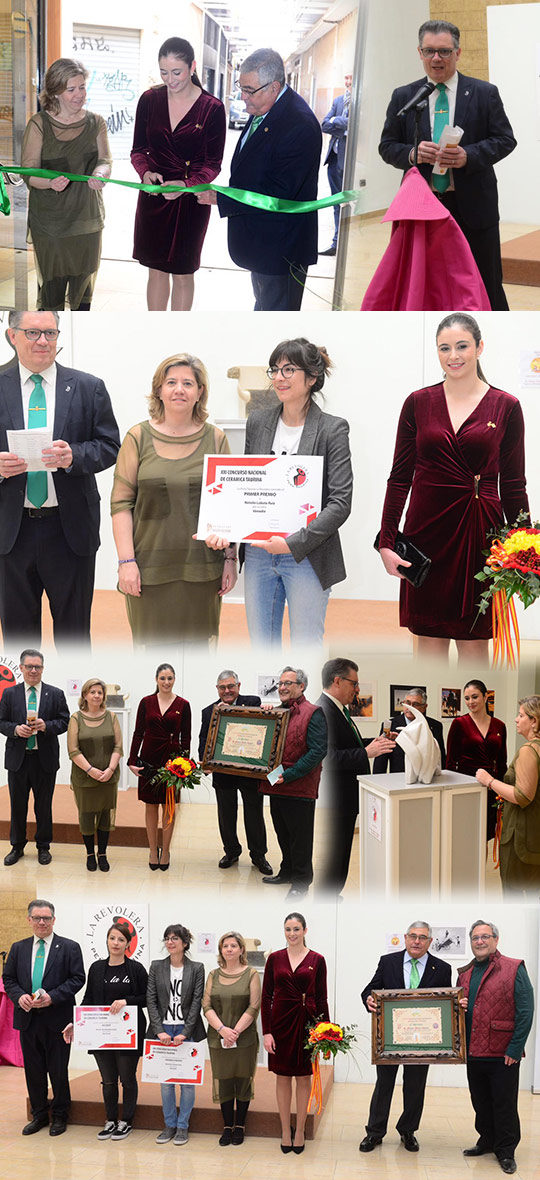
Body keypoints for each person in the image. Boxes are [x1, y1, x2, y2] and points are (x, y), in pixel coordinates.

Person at [378, 313, 529, 660]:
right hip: (425, 536)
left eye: (462, 346)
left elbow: (514, 484)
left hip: (480, 535)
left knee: (475, 646)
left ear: (479, 347)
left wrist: (525, 548)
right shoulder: (418, 402)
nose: (453, 355)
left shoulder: (506, 406)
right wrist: (387, 541)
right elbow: (400, 477)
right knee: (428, 645)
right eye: (444, 348)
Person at [205, 337, 353, 645]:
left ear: (312, 378)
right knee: (262, 646)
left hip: (307, 555)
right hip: (259, 555)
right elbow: (245, 490)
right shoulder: (258, 421)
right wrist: (228, 542)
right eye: (275, 369)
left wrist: (292, 543)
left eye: (289, 369)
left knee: (305, 645)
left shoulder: (332, 429)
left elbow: (340, 503)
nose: (279, 377)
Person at [0, 310, 120, 645]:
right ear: (12, 335)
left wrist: (74, 456)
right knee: (18, 639)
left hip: (69, 531)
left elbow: (110, 445)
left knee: (74, 635)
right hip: (12, 532)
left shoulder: (87, 387)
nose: (43, 341)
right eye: (33, 333)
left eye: (50, 333)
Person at [378, 19, 516, 310]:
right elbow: (387, 146)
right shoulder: (405, 96)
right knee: (427, 286)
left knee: (485, 283)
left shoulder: (483, 93)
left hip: (473, 207)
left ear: (458, 52)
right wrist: (413, 154)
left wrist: (469, 156)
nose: (436, 58)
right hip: (423, 209)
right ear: (419, 53)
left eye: (443, 51)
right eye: (429, 51)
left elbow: (505, 140)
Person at [111, 352, 235, 645]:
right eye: (171, 382)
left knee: (198, 651)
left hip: (201, 568)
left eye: (188, 383)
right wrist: (126, 562)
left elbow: (229, 506)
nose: (179, 389)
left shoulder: (216, 439)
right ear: (159, 390)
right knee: (152, 654)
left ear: (200, 392)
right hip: (148, 568)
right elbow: (120, 505)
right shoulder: (137, 437)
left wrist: (230, 559)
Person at [197, 48, 322, 310]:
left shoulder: (299, 124)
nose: (243, 97)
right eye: (241, 88)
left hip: (281, 248)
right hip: (262, 245)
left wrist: (224, 198)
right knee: (264, 306)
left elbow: (279, 192)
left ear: (274, 87)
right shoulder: (265, 108)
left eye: (249, 90)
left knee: (277, 314)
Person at [131, 36, 226, 311]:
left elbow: (213, 164)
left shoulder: (212, 108)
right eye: (163, 72)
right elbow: (138, 149)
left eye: (176, 72)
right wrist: (145, 172)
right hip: (154, 196)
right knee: (155, 270)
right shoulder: (149, 100)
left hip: (190, 200)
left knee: (184, 272)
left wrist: (185, 185)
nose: (170, 79)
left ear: (192, 67)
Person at [21, 58, 112, 310]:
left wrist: (101, 174)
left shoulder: (96, 122)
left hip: (87, 218)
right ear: (55, 92)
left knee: (84, 288)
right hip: (51, 223)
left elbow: (105, 160)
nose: (79, 95)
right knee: (52, 289)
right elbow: (29, 172)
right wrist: (49, 183)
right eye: (71, 89)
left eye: (82, 87)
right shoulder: (39, 124)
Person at [359, 920, 451, 1154]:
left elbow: (446, 1002)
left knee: (415, 1086)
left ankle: (408, 1131)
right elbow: (371, 989)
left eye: (422, 937)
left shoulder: (441, 968)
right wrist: (369, 998)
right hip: (389, 1038)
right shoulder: (387, 962)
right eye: (413, 936)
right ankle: (375, 1132)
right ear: (405, 938)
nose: (416, 941)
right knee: (384, 1085)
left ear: (430, 941)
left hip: (423, 1041)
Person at [3, 898, 85, 1136]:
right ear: (29, 920)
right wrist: (19, 997)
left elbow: (77, 978)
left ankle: (60, 1115)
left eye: (46, 918)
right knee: (34, 1070)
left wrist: (53, 997)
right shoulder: (18, 948)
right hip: (28, 1019)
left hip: (58, 1019)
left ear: (53, 920)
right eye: (37, 918)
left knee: (58, 1070)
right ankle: (39, 1115)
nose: (42, 922)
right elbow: (9, 979)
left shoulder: (69, 947)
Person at [458, 919, 534, 1175]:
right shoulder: (465, 973)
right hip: (473, 1050)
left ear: (495, 940)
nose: (479, 941)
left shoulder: (514, 968)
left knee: (504, 1103)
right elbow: (463, 1008)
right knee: (480, 1101)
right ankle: (487, 1140)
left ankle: (506, 1150)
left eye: (485, 937)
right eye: (475, 938)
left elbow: (526, 1010)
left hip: (503, 1052)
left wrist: (515, 1048)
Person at [62, 920, 148, 1141]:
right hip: (101, 1034)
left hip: (129, 1035)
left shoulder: (136, 969)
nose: (116, 943)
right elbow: (88, 999)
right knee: (108, 1079)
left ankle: (126, 1121)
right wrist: (76, 1021)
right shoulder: (97, 968)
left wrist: (126, 1000)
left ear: (128, 943)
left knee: (127, 1078)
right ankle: (111, 1120)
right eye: (112, 938)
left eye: (121, 939)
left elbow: (147, 998)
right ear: (107, 940)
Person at [316, 657, 395, 895]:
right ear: (337, 681)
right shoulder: (323, 711)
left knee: (340, 857)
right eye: (354, 683)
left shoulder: (337, 710)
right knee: (335, 858)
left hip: (345, 800)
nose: (358, 689)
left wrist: (375, 743)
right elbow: (327, 758)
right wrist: (365, 753)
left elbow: (348, 745)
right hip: (337, 802)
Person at [262, 912, 328, 1154]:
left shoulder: (317, 959)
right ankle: (284, 1129)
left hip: (306, 1023)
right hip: (279, 1022)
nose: (292, 934)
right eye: (288, 929)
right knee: (282, 1077)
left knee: (303, 1077)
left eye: (296, 929)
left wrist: (325, 1033)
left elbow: (322, 998)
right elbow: (266, 996)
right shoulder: (275, 959)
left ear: (305, 931)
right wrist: (266, 1032)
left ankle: (299, 1129)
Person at [259, 667, 327, 900]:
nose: (283, 687)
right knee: (283, 833)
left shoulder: (313, 712)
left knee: (300, 838)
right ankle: (286, 872)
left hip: (300, 787)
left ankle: (301, 881)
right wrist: (265, 715)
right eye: (280, 683)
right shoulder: (277, 712)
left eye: (289, 683)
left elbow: (318, 751)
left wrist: (290, 774)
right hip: (276, 785)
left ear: (302, 686)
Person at [0, 649, 69, 866]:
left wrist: (46, 725)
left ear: (42, 668)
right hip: (18, 760)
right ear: (20, 668)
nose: (33, 670)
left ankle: (43, 847)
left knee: (43, 805)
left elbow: (65, 721)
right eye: (29, 666)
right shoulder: (9, 694)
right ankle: (17, 846)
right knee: (18, 805)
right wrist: (15, 730)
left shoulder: (55, 694)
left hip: (44, 759)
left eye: (37, 667)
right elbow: (1, 722)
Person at [198, 669, 271, 874]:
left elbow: (268, 725)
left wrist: (267, 710)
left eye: (231, 686)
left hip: (251, 771)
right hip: (224, 773)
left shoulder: (254, 702)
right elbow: (203, 739)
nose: (227, 691)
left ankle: (258, 855)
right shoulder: (208, 711)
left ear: (239, 686)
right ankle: (231, 852)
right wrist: (206, 763)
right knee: (226, 814)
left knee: (254, 814)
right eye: (223, 687)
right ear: (217, 689)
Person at [146, 922, 206, 1146]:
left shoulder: (197, 967)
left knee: (187, 1083)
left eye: (174, 938)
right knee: (166, 1082)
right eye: (167, 938)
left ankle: (183, 1126)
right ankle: (169, 1124)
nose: (170, 942)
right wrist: (159, 1030)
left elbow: (197, 1001)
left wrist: (185, 1031)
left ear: (184, 943)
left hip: (185, 1030)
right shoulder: (156, 966)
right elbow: (150, 1000)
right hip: (162, 1030)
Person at [128, 664, 191, 870]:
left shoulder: (183, 704)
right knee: (151, 805)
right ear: (156, 679)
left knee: (169, 806)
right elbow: (138, 732)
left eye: (170, 678)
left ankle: (166, 849)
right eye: (163, 678)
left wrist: (185, 765)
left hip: (172, 761)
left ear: (175, 680)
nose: (166, 682)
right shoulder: (146, 702)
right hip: (148, 758)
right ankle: (152, 850)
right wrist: (131, 760)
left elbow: (186, 737)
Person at [476, 696, 540, 898]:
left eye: (521, 715)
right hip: (532, 833)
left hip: (520, 838)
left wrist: (489, 781)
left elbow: (522, 796)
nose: (516, 719)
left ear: (534, 721)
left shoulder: (528, 751)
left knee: (514, 895)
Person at [203, 931, 261, 1146]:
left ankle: (240, 1126)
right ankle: (228, 1125)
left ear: (241, 950)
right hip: (219, 1037)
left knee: (243, 1079)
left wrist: (234, 1031)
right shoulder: (213, 975)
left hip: (244, 1038)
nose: (229, 949)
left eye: (233, 946)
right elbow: (206, 1005)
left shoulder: (251, 974)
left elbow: (254, 1006)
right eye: (225, 946)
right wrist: (223, 1031)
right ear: (221, 951)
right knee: (224, 1079)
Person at [67, 677, 123, 872]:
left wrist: (109, 769)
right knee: (86, 816)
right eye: (93, 692)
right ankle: (90, 854)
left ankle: (103, 853)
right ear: (85, 695)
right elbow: (73, 750)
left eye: (100, 692)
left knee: (106, 816)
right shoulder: (76, 718)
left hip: (108, 777)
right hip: (84, 777)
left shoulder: (111, 717)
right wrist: (91, 770)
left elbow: (118, 746)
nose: (96, 695)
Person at [447, 679, 507, 842]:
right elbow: (451, 763)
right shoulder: (459, 723)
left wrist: (502, 791)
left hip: (491, 788)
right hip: (466, 786)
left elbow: (502, 762)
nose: (470, 702)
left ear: (485, 697)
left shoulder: (499, 725)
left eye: (475, 697)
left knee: (486, 835)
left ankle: (481, 867)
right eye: (467, 698)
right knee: (467, 834)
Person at [373, 688, 446, 774]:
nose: (410, 707)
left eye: (415, 704)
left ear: (424, 707)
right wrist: (378, 781)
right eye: (407, 703)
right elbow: (381, 759)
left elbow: (440, 757)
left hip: (428, 779)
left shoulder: (435, 726)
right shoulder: (390, 725)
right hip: (398, 780)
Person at [319, 72, 352, 256]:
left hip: (349, 161)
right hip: (333, 159)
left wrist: (337, 122)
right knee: (336, 203)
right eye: (346, 78)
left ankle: (345, 243)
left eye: (351, 78)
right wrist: (344, 125)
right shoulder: (339, 101)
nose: (348, 82)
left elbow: (358, 123)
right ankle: (336, 243)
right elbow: (324, 124)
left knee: (347, 203)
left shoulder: (363, 101)